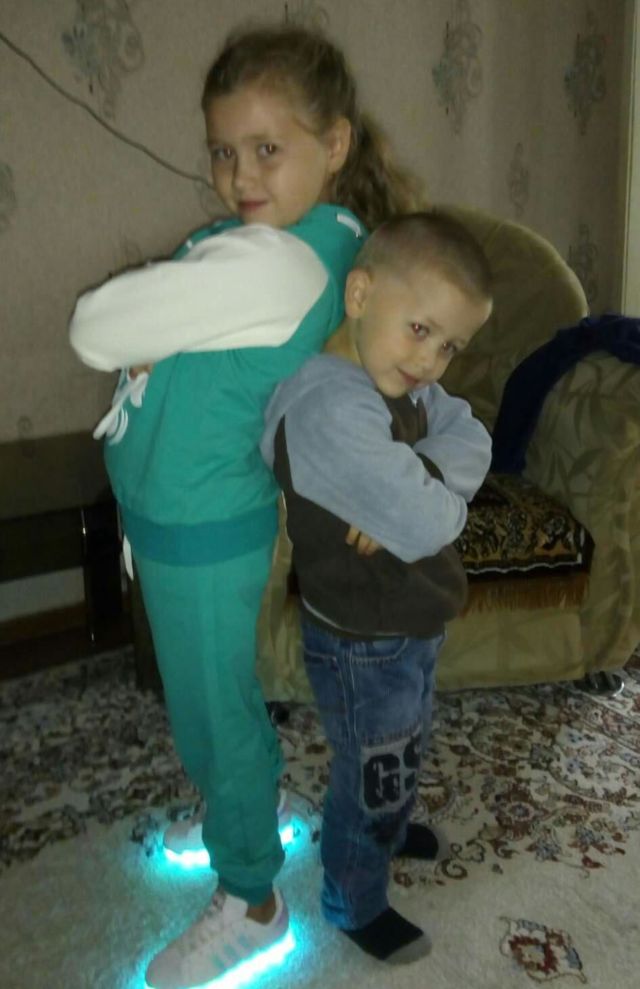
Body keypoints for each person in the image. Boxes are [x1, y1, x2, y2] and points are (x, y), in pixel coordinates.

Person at [69, 22, 424, 989]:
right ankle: (249, 815)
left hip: (199, 525)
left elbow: (94, 327)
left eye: (268, 148)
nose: (240, 175)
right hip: (188, 515)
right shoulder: (296, 241)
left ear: (334, 144)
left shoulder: (274, 260)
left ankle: (252, 898)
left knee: (210, 712)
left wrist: (155, 317)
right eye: (224, 151)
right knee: (216, 698)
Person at [260, 211, 493, 964]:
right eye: (420, 329)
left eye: (450, 345)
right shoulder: (330, 406)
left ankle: (387, 829)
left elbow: (474, 435)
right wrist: (423, 497)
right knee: (373, 772)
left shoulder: (398, 382)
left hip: (407, 621)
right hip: (363, 641)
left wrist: (420, 472)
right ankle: (353, 899)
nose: (431, 361)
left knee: (403, 744)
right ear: (360, 295)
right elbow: (431, 523)